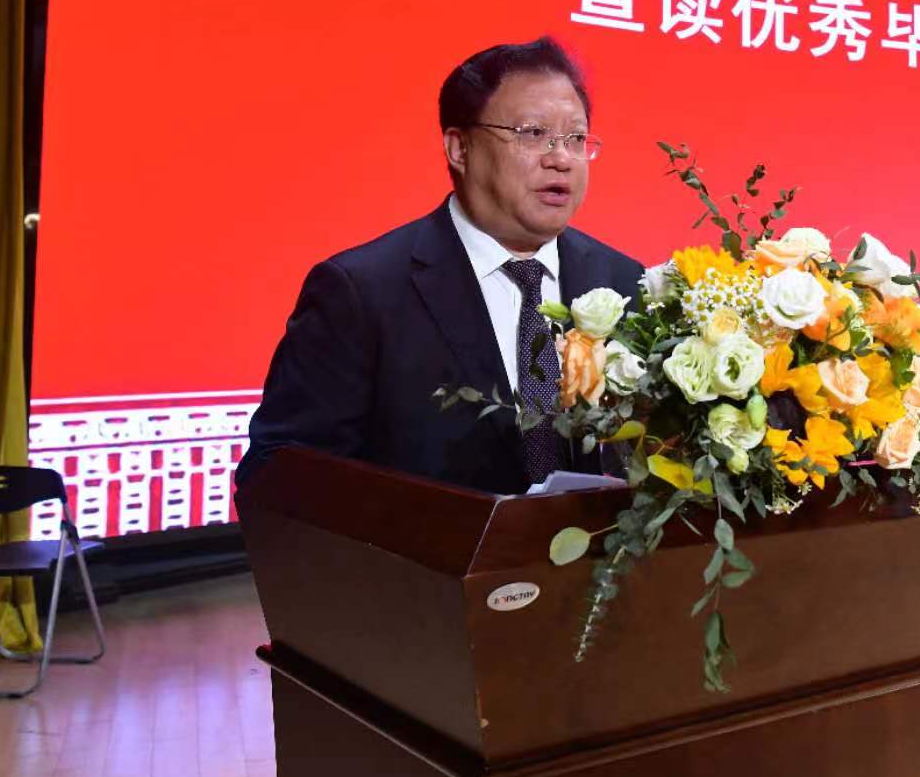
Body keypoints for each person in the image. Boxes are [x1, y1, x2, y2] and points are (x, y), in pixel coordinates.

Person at [234, 37, 643, 495]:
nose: (561, 158)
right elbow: (278, 477)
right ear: (459, 149)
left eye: (576, 138)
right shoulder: (362, 293)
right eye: (532, 133)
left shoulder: (624, 281)